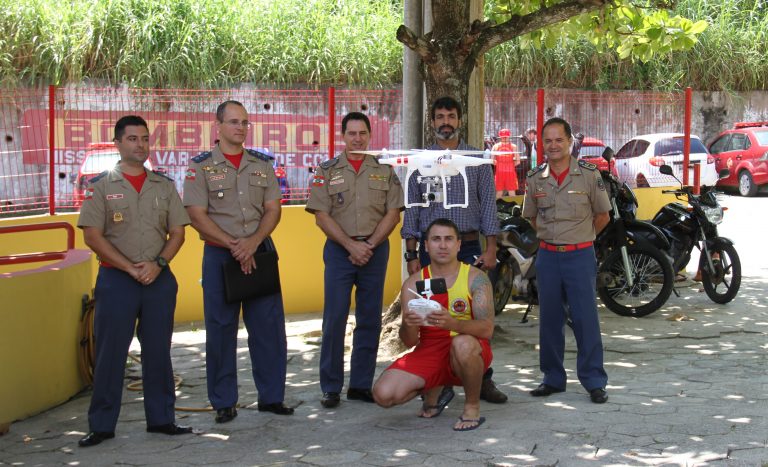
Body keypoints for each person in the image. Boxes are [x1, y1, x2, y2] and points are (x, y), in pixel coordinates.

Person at [77, 115, 193, 447]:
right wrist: (129, 268)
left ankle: (162, 419)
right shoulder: (101, 185)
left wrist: (158, 264)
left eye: (144, 139)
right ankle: (102, 425)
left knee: (158, 351)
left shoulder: (163, 185)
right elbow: (92, 236)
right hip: (117, 281)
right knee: (111, 352)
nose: (140, 145)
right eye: (132, 139)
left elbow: (178, 232)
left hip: (158, 280)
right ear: (118, 143)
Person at [183, 100, 293, 423]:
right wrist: (235, 246)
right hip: (221, 255)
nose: (240, 128)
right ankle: (224, 402)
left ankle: (272, 398)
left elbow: (273, 209)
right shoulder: (200, 167)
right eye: (233, 122)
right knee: (220, 329)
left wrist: (252, 242)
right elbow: (196, 215)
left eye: (245, 122)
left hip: (259, 252)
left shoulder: (262, 164)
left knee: (269, 329)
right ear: (217, 126)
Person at [400, 96, 507, 406]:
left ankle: (483, 378)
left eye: (451, 116)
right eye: (440, 117)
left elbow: (488, 206)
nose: (445, 122)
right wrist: (411, 254)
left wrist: (491, 248)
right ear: (432, 122)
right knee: (433, 314)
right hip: (431, 251)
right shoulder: (420, 161)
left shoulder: (477, 160)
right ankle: (440, 380)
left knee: (474, 314)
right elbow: (413, 208)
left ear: (460, 120)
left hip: (470, 247)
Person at [305, 112, 404, 408]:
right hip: (340, 251)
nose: (357, 139)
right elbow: (321, 215)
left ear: (369, 135)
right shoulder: (327, 171)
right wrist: (351, 246)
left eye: (362, 133)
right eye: (352, 133)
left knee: (369, 319)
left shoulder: (384, 169)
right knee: (334, 318)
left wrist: (369, 245)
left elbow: (393, 213)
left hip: (375, 250)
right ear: (343, 136)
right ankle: (331, 387)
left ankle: (360, 385)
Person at [373, 218, 494, 432]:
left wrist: (453, 323)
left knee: (462, 344)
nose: (443, 245)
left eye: (449, 239)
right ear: (426, 246)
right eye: (436, 239)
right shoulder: (413, 283)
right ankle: (435, 388)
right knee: (383, 395)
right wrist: (408, 325)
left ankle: (472, 406)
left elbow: (487, 329)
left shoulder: (476, 278)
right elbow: (410, 341)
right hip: (430, 349)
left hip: (468, 348)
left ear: (459, 244)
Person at [522, 117, 612, 404]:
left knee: (586, 319)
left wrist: (581, 237)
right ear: (541, 144)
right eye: (547, 141)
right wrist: (552, 238)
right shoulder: (535, 178)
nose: (553, 145)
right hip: (548, 257)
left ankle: (594, 381)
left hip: (580, 256)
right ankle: (552, 378)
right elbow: (532, 217)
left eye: (559, 139)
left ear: (570, 142)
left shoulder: (589, 175)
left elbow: (603, 216)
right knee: (550, 319)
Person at [491, 128, 520, 198]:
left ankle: (497, 205)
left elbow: (492, 161)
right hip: (510, 172)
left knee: (499, 193)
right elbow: (518, 161)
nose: (504, 138)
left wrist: (500, 165)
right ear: (509, 136)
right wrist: (510, 165)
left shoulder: (495, 146)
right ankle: (514, 205)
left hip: (499, 172)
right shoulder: (513, 146)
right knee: (511, 193)